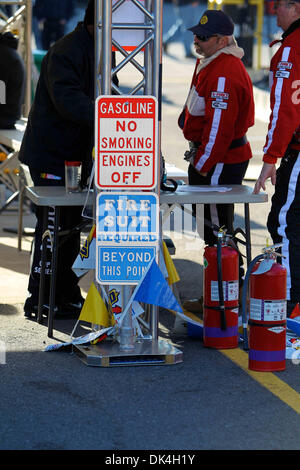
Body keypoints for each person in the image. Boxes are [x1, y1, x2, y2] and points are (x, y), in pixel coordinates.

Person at [18, 0, 118, 318]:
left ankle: (64, 293)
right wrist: (110, 114)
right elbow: (69, 101)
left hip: (74, 156)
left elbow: (108, 92)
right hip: (51, 155)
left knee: (71, 227)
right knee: (52, 225)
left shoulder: (102, 49)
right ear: (97, 23)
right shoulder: (67, 50)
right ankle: (41, 298)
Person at [179, 9, 254, 312]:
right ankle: (223, 292)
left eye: (204, 37)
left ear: (222, 40)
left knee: (216, 230)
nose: (197, 40)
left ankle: (225, 294)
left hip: (220, 159)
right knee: (213, 227)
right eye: (196, 34)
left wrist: (201, 163)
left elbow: (220, 129)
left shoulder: (224, 71)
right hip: (215, 157)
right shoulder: (211, 61)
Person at [253, 0, 300, 317]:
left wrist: (271, 158)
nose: (273, 11)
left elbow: (285, 109)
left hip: (298, 153)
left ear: (295, 8)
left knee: (283, 225)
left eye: (280, 5)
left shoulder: (289, 51)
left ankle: (288, 306)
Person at [0, 31, 25, 129]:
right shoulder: (10, 53)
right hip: (10, 115)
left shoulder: (3, 56)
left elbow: (1, 92)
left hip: (4, 117)